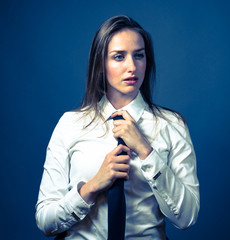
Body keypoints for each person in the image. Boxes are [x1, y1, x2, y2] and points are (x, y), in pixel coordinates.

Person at [35, 15, 200, 239]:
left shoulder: (172, 125)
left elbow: (187, 217)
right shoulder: (70, 125)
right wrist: (91, 187)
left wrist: (146, 151)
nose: (132, 66)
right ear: (101, 65)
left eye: (139, 55)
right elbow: (46, 221)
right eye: (119, 57)